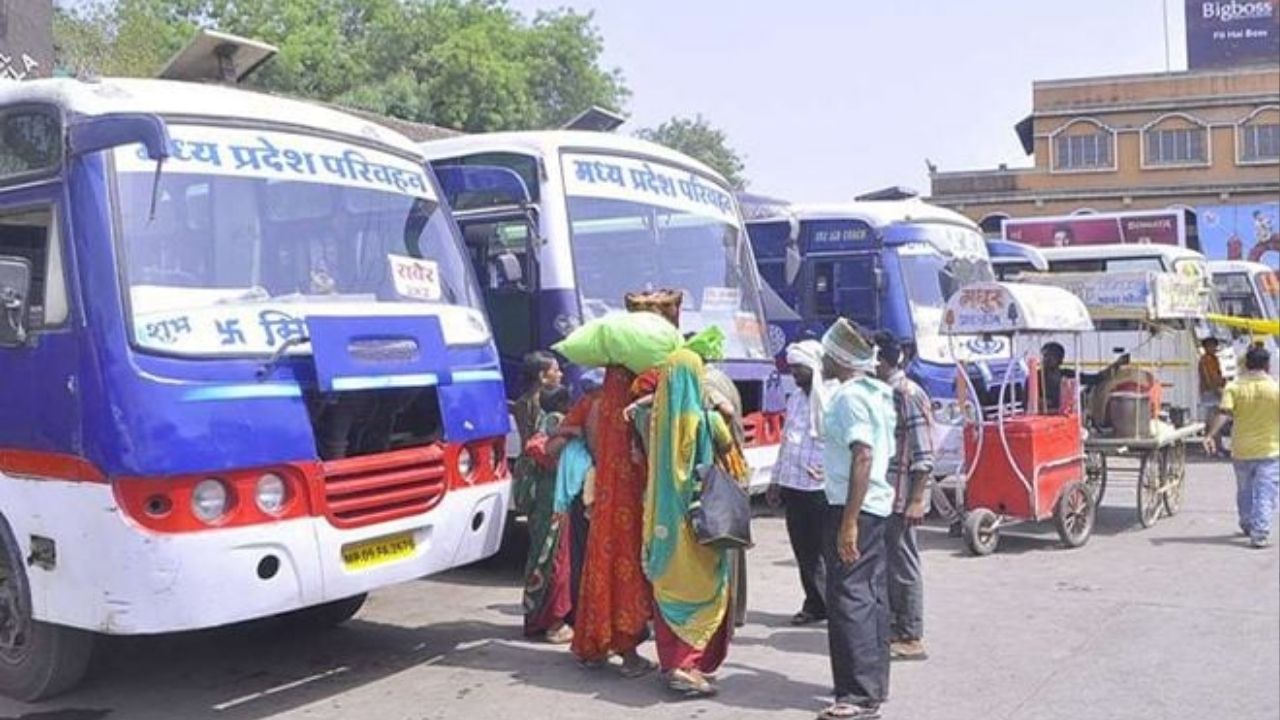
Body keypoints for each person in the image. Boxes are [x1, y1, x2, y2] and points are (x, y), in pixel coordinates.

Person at [643, 348, 747, 697]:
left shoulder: (653, 418)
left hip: (662, 522)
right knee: (699, 589)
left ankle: (671, 662)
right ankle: (687, 668)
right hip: (697, 521)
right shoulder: (706, 420)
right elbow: (729, 443)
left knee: (668, 586)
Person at [818, 319, 897, 720]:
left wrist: (848, 522)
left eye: (826, 353)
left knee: (849, 597)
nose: (822, 359)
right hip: (873, 505)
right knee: (870, 595)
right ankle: (873, 685)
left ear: (840, 357)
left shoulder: (849, 397)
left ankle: (858, 696)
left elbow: (863, 454)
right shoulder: (877, 393)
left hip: (856, 508)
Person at [559, 362, 656, 677]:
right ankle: (628, 652)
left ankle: (593, 643)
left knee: (599, 562)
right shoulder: (633, 406)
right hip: (627, 494)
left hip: (600, 491)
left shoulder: (590, 404)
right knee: (626, 566)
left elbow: (562, 433)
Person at [874, 331, 934, 662]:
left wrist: (915, 498)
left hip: (901, 495)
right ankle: (896, 626)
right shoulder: (885, 391)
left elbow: (924, 452)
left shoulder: (907, 393)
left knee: (904, 565)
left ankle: (911, 634)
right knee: (888, 564)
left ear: (881, 360)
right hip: (885, 493)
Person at [767, 340, 832, 626]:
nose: (794, 373)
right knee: (803, 550)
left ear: (813, 367)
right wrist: (774, 481)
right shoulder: (794, 399)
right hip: (794, 485)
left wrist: (829, 471)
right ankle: (815, 603)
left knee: (825, 550)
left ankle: (833, 604)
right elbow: (786, 444)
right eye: (791, 368)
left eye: (799, 368)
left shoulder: (830, 398)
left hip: (821, 488)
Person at [517, 386, 582, 643]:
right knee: (553, 560)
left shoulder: (547, 419)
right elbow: (542, 452)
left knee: (544, 558)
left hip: (547, 500)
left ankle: (539, 619)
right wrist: (569, 432)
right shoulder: (556, 421)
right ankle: (552, 623)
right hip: (553, 501)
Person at [1204, 345, 1280, 549]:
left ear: (1246, 365)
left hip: (1241, 449)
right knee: (1265, 492)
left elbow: (1224, 413)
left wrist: (1210, 435)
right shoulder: (1275, 388)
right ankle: (1260, 533)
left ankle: (1247, 523)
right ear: (1267, 365)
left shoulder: (1234, 387)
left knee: (1244, 490)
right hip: (1270, 450)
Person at [512, 351, 564, 448]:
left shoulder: (559, 398)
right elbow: (527, 440)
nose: (561, 374)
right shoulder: (526, 404)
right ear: (542, 376)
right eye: (556, 371)